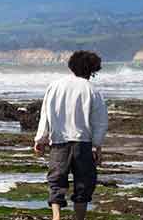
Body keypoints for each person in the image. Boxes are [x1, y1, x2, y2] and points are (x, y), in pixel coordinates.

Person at [33, 50, 109, 220]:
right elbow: (100, 121)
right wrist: (97, 145)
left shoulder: (55, 86)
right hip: (83, 143)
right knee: (83, 183)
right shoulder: (92, 90)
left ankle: (56, 217)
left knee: (56, 180)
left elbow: (46, 114)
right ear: (91, 70)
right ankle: (79, 218)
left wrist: (40, 139)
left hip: (59, 141)